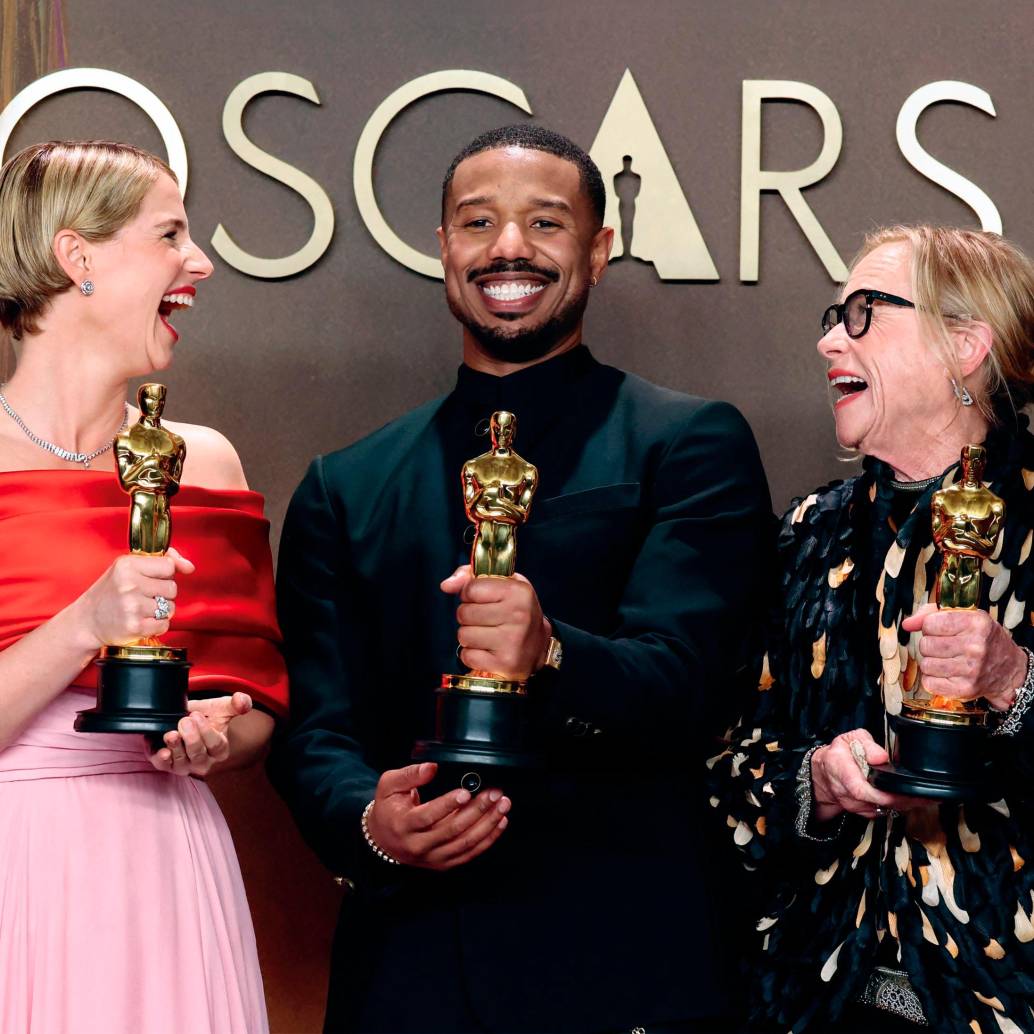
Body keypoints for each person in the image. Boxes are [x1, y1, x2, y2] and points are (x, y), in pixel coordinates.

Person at [270, 124, 771, 1033]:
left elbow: (694, 687)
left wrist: (552, 654)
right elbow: (315, 732)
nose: (509, 248)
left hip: (625, 959)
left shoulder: (687, 444)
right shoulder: (344, 486)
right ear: (443, 249)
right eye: (478, 223)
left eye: (545, 223)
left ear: (598, 250)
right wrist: (373, 825)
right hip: (408, 967)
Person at [708, 226, 1034, 1033]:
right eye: (832, 315)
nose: (828, 340)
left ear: (965, 345)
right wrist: (812, 782)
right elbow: (725, 758)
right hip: (814, 991)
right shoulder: (806, 533)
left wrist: (1015, 686)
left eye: (863, 314)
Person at [0, 140, 288, 1033]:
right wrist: (85, 622)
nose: (199, 261)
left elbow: (258, 708)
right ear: (76, 256)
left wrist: (214, 738)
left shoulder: (202, 463)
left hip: (165, 864)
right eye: (170, 234)